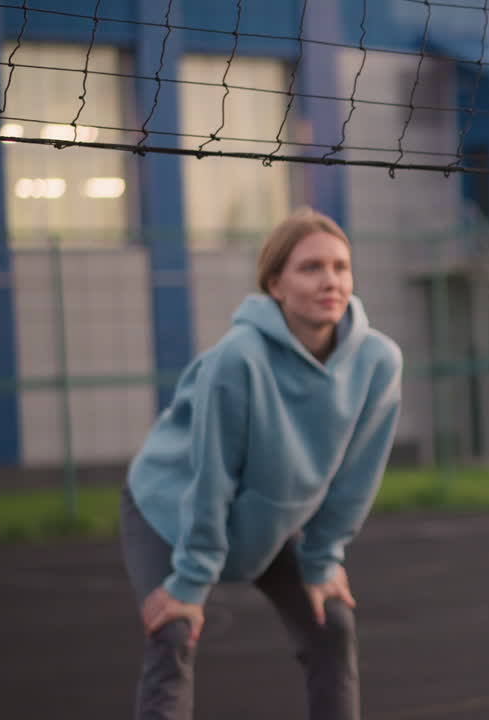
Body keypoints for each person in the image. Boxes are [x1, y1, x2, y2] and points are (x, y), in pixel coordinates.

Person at [119, 208, 402, 720]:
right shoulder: (237, 359)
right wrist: (190, 580)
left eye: (340, 267)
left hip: (266, 516)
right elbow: (212, 475)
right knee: (174, 630)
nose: (330, 281)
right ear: (275, 284)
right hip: (171, 505)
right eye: (311, 268)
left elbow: (356, 478)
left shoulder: (379, 361)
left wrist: (322, 559)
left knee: (331, 620)